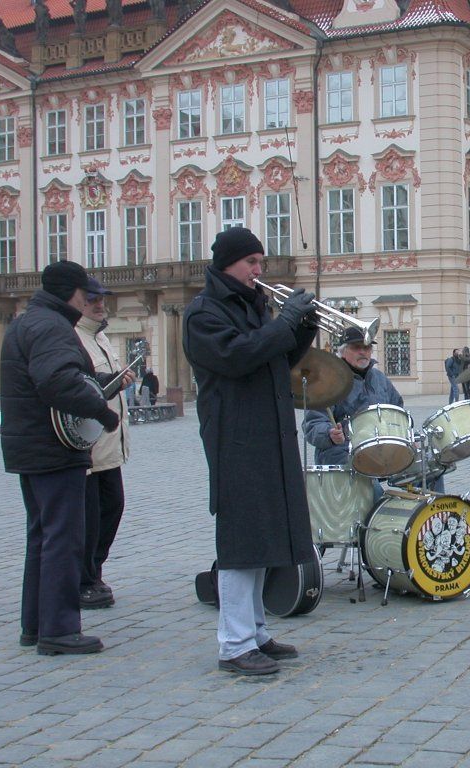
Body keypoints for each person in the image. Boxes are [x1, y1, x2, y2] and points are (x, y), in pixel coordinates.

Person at [183, 227, 319, 676]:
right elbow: (239, 356)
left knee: (264, 536)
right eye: (252, 263)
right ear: (228, 264)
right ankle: (234, 645)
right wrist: (282, 324)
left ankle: (256, 631)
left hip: (268, 434)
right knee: (241, 543)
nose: (260, 271)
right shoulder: (204, 314)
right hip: (235, 439)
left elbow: (275, 358)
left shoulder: (253, 306)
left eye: (261, 262)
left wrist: (303, 327)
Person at [0, 260, 124, 656]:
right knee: (63, 539)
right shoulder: (53, 326)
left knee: (42, 536)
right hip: (54, 448)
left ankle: (35, 625)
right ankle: (59, 629)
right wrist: (104, 412)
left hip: (31, 445)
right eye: (84, 292)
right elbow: (58, 381)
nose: (88, 298)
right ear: (71, 292)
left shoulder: (26, 321)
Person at [75, 277, 134, 610]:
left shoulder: (102, 337)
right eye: (93, 300)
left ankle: (94, 570)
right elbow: (83, 387)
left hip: (111, 447)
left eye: (102, 300)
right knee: (90, 518)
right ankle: (84, 578)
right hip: (91, 448)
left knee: (113, 509)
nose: (100, 305)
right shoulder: (75, 338)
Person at [303, 326, 404, 465]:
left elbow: (398, 410)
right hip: (343, 451)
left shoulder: (380, 378)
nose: (362, 352)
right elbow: (312, 425)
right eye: (356, 347)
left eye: (367, 347)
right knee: (368, 480)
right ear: (343, 351)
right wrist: (329, 434)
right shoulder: (328, 381)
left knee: (426, 467)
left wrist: (407, 436)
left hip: (381, 448)